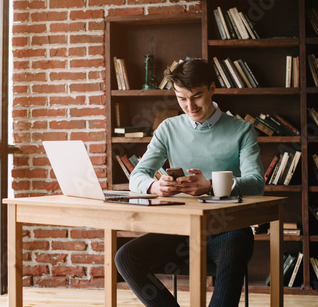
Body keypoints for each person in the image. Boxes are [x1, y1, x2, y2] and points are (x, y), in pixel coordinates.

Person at [114, 59, 265, 307]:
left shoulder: (242, 130)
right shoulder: (167, 129)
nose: (189, 106)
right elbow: (136, 176)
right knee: (126, 257)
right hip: (180, 228)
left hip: (228, 229)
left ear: (212, 89)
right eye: (181, 98)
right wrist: (155, 186)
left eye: (196, 96)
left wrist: (211, 186)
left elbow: (257, 184)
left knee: (235, 245)